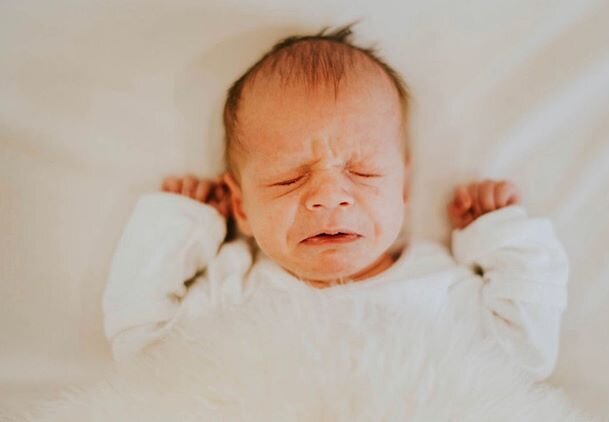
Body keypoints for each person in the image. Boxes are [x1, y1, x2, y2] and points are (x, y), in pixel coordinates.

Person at [102, 25, 568, 381]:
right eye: (288, 178)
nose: (328, 197)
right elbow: (141, 345)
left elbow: (527, 355)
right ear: (240, 205)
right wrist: (177, 225)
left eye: (363, 171)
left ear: (403, 188)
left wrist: (499, 235)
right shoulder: (234, 284)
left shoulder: (439, 286)